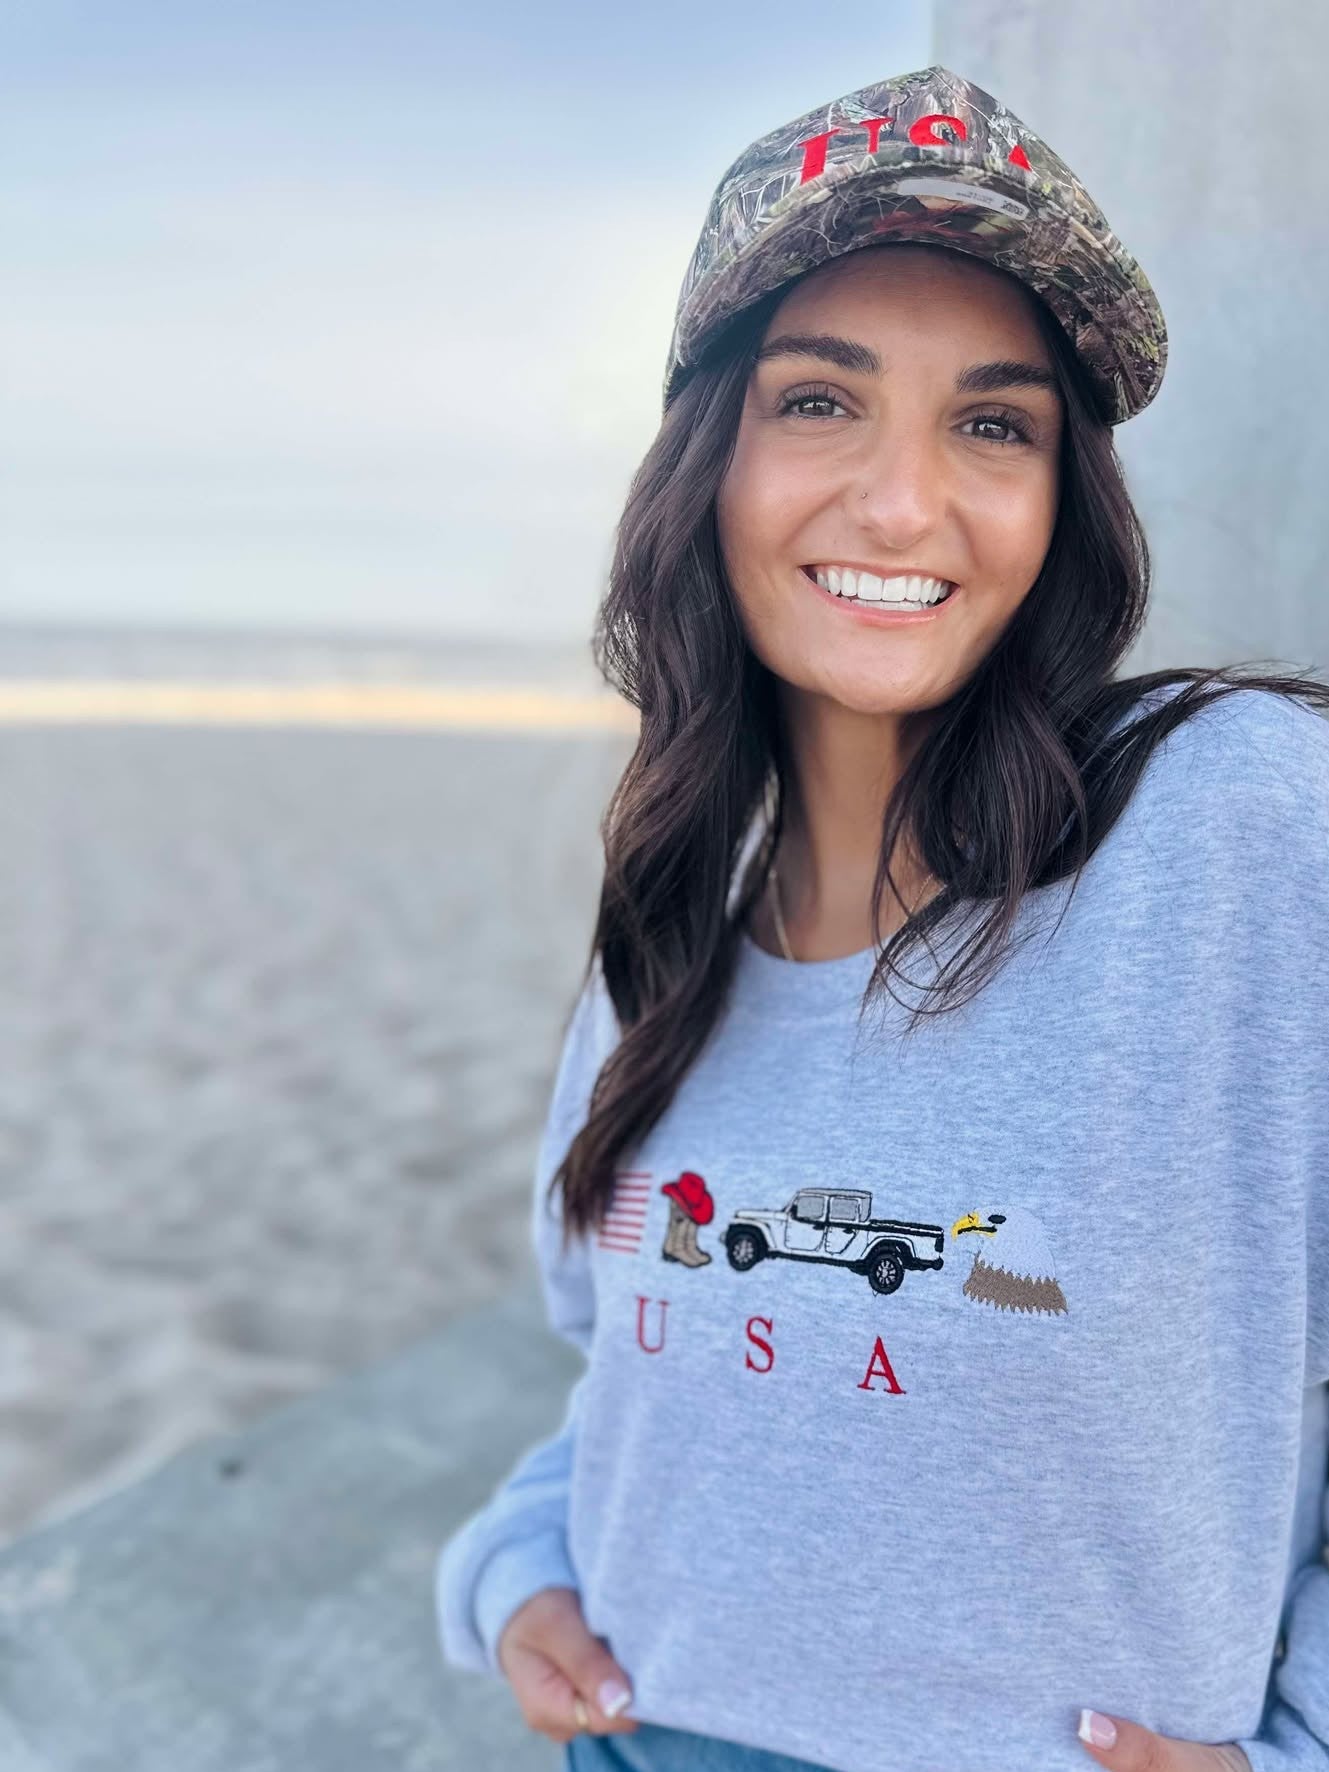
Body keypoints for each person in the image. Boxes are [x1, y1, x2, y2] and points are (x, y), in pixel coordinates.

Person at [435, 64, 1329, 1772]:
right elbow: (622, 1370)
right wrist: (517, 1565)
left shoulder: (1241, 828)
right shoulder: (669, 936)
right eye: (819, 402)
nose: (903, 505)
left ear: (1061, 497)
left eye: (992, 423)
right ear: (709, 457)